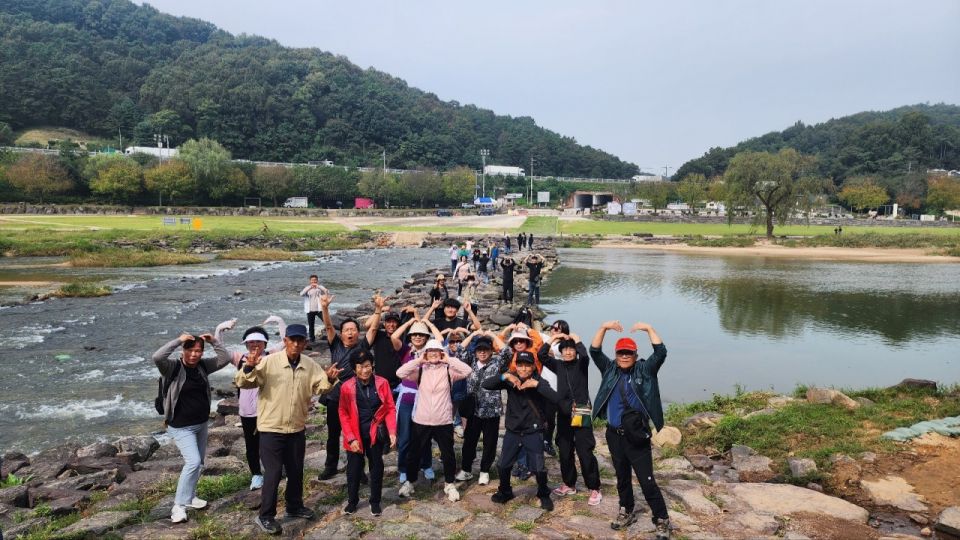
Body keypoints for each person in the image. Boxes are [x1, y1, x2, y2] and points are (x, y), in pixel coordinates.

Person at [235, 323, 342, 535]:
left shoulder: (310, 365)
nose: (296, 344)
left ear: (305, 343)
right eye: (292, 340)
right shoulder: (269, 362)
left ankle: (294, 506)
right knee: (274, 472)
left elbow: (320, 387)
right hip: (271, 428)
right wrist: (248, 367)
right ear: (285, 341)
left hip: (296, 428)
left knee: (295, 470)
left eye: (300, 340)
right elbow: (244, 383)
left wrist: (330, 378)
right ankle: (265, 515)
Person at [590, 320, 671, 537]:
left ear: (635, 355)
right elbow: (594, 351)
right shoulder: (609, 370)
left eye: (628, 353)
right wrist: (603, 328)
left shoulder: (645, 371)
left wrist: (649, 329)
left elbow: (660, 352)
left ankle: (661, 518)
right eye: (621, 353)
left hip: (637, 437)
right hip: (614, 435)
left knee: (647, 480)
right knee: (622, 477)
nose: (624, 356)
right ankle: (626, 509)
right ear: (616, 355)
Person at [153, 332, 231, 524]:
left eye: (198, 351)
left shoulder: (203, 366)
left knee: (199, 463)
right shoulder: (172, 367)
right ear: (183, 350)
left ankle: (190, 496)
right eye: (190, 350)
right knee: (193, 462)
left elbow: (225, 358)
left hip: (201, 423)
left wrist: (213, 341)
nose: (194, 354)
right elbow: (158, 357)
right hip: (180, 427)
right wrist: (178, 340)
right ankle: (178, 506)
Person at [482, 351, 560, 511]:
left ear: (533, 367)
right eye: (520, 365)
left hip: (533, 430)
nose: (523, 369)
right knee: (503, 465)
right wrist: (504, 376)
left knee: (538, 467)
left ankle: (543, 493)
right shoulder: (511, 379)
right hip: (513, 431)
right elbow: (486, 384)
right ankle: (505, 491)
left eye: (527, 365)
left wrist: (536, 385)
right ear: (516, 366)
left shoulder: (539, 381)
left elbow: (555, 398)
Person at [215, 316, 287, 491]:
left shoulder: (271, 355)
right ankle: (256, 475)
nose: (255, 345)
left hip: (269, 408)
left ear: (265, 343)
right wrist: (220, 328)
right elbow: (221, 351)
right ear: (246, 344)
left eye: (258, 342)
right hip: (248, 411)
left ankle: (276, 469)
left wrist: (278, 321)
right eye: (251, 342)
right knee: (251, 444)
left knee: (273, 441)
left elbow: (286, 342)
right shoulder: (240, 359)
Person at [396, 339, 472, 502]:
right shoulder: (420, 371)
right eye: (430, 351)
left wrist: (448, 359)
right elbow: (400, 373)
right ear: (426, 353)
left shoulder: (449, 370)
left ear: (441, 352)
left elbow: (467, 370)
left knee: (448, 455)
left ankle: (449, 484)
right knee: (414, 454)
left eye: (436, 351)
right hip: (422, 419)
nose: (433, 354)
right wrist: (419, 360)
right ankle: (410, 481)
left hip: (443, 420)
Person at [318, 292, 382, 480]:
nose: (351, 332)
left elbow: (373, 329)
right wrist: (324, 308)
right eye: (347, 330)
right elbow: (328, 326)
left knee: (356, 432)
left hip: (356, 396)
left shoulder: (362, 347)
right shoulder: (335, 344)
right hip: (334, 395)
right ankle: (330, 466)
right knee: (333, 434)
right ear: (342, 333)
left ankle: (358, 469)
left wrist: (378, 309)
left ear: (357, 333)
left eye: (354, 329)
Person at [538, 327, 602, 505]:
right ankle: (569, 484)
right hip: (564, 414)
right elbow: (541, 355)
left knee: (585, 451)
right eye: (565, 349)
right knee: (565, 451)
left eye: (571, 349)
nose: (568, 352)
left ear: (575, 351)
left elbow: (586, 355)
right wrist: (554, 338)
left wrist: (577, 339)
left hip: (581, 412)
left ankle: (594, 488)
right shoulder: (558, 365)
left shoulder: (582, 365)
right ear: (561, 352)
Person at [338, 349, 397, 516]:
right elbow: (343, 412)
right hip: (355, 435)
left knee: (376, 468)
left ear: (372, 365)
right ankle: (352, 501)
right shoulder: (347, 387)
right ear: (354, 368)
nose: (365, 370)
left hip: (375, 434)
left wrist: (392, 431)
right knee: (354, 470)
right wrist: (350, 438)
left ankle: (375, 501)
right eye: (361, 367)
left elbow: (390, 408)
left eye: (368, 366)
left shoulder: (382, 383)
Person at [390, 314, 439, 483]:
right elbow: (394, 337)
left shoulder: (432, 353)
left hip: (425, 400)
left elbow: (440, 340)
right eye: (415, 334)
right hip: (406, 400)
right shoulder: (405, 351)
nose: (418, 337)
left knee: (425, 436)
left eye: (421, 334)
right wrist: (410, 322)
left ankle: (426, 465)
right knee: (404, 437)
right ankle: (403, 468)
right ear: (410, 336)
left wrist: (428, 323)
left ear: (426, 337)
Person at [456, 331, 506, 485]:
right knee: (469, 441)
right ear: (475, 351)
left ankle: (485, 471)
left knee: (490, 442)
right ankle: (466, 469)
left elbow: (507, 352)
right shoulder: (470, 362)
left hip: (492, 411)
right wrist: (473, 334)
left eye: (486, 350)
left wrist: (492, 335)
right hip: (473, 410)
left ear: (491, 351)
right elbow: (459, 349)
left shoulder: (497, 364)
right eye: (479, 350)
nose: (482, 353)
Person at [300, 275, 328, 343]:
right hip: (310, 310)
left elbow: (326, 291)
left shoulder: (319, 288)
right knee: (311, 326)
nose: (314, 281)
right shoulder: (307, 288)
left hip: (319, 310)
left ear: (317, 281)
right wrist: (310, 287)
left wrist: (318, 286)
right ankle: (312, 340)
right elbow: (301, 294)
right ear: (310, 281)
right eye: (312, 280)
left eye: (315, 280)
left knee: (326, 322)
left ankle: (329, 335)